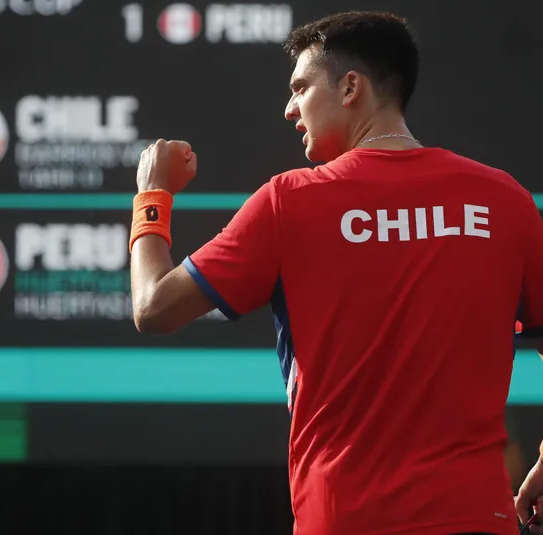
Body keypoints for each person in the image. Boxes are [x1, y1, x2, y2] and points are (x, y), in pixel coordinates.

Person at [128, 10, 543, 535]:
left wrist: (151, 196)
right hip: (477, 518)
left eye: (300, 88)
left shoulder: (289, 202)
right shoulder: (504, 201)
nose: (289, 109)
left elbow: (154, 307)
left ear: (350, 87)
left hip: (344, 521)